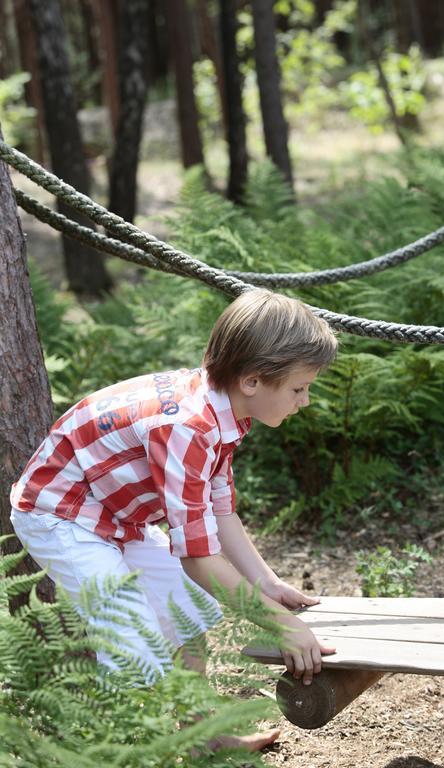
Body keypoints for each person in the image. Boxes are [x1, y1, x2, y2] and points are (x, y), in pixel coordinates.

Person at [10, 288, 338, 752]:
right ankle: (119, 752)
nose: (303, 401)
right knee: (132, 642)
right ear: (253, 380)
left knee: (190, 616)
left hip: (116, 515)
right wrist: (282, 625)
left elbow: (219, 508)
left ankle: (203, 739)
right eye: (298, 389)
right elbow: (198, 557)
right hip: (62, 515)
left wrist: (265, 582)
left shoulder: (224, 410)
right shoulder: (189, 425)